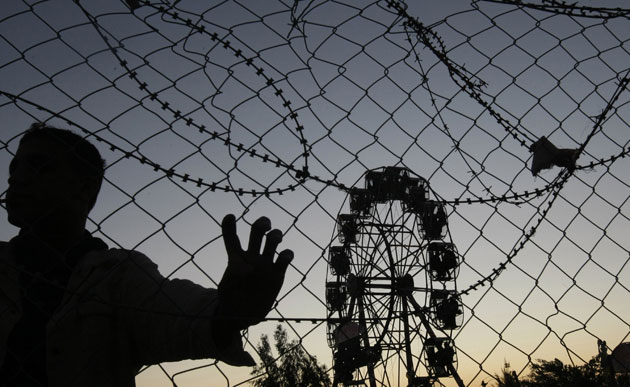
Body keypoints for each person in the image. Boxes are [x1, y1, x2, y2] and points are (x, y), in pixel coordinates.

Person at [0, 123, 293, 386]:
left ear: (83, 188)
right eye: (14, 168)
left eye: (39, 166)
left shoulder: (116, 275)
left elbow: (174, 319)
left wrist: (228, 312)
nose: (17, 178)